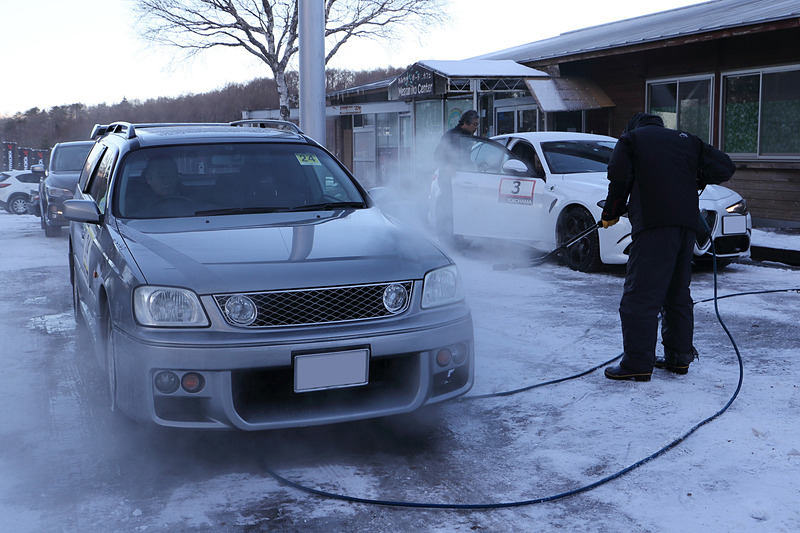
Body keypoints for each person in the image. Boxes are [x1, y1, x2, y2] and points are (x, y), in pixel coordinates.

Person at [600, 112, 736, 382]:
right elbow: (725, 167)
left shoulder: (631, 140)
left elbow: (618, 177)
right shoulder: (687, 140)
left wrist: (610, 211)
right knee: (677, 293)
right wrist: (698, 177)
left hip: (653, 225)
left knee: (640, 296)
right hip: (686, 227)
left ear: (633, 126)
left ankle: (637, 364)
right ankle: (679, 358)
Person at [432, 110, 480, 243]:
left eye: (477, 124)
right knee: (450, 208)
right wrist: (446, 166)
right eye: (474, 124)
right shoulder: (451, 136)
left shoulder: (468, 137)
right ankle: (448, 238)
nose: (476, 128)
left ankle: (459, 236)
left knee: (461, 208)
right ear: (465, 123)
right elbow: (437, 156)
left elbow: (464, 158)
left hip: (462, 178)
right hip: (448, 179)